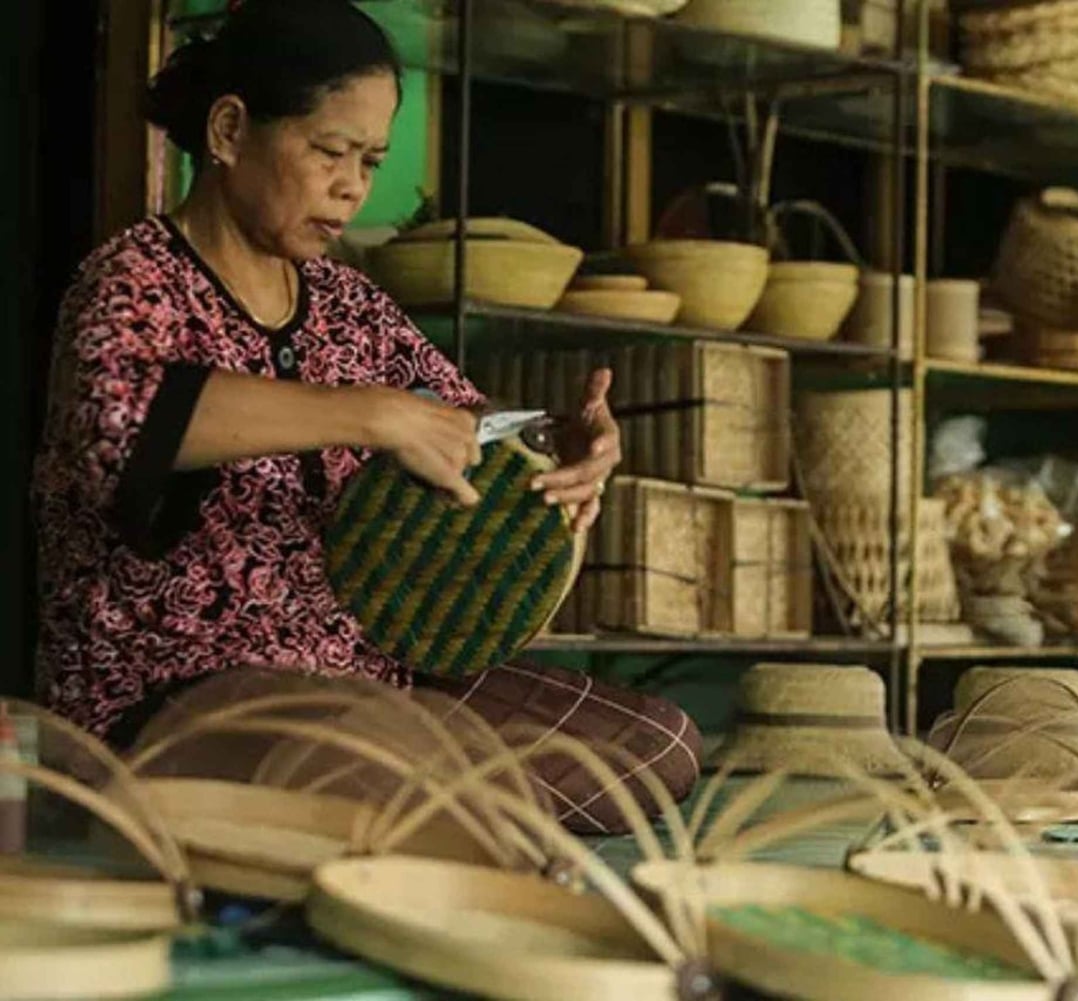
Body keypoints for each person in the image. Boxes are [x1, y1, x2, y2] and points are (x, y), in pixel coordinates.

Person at [32, 0, 700, 834]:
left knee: (652, 744)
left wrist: (564, 447)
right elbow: (124, 415)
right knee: (430, 768)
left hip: (363, 679)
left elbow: (467, 427)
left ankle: (428, 813)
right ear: (232, 130)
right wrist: (370, 415)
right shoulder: (132, 281)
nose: (352, 185)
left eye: (372, 161)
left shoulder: (348, 305)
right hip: (176, 696)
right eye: (329, 151)